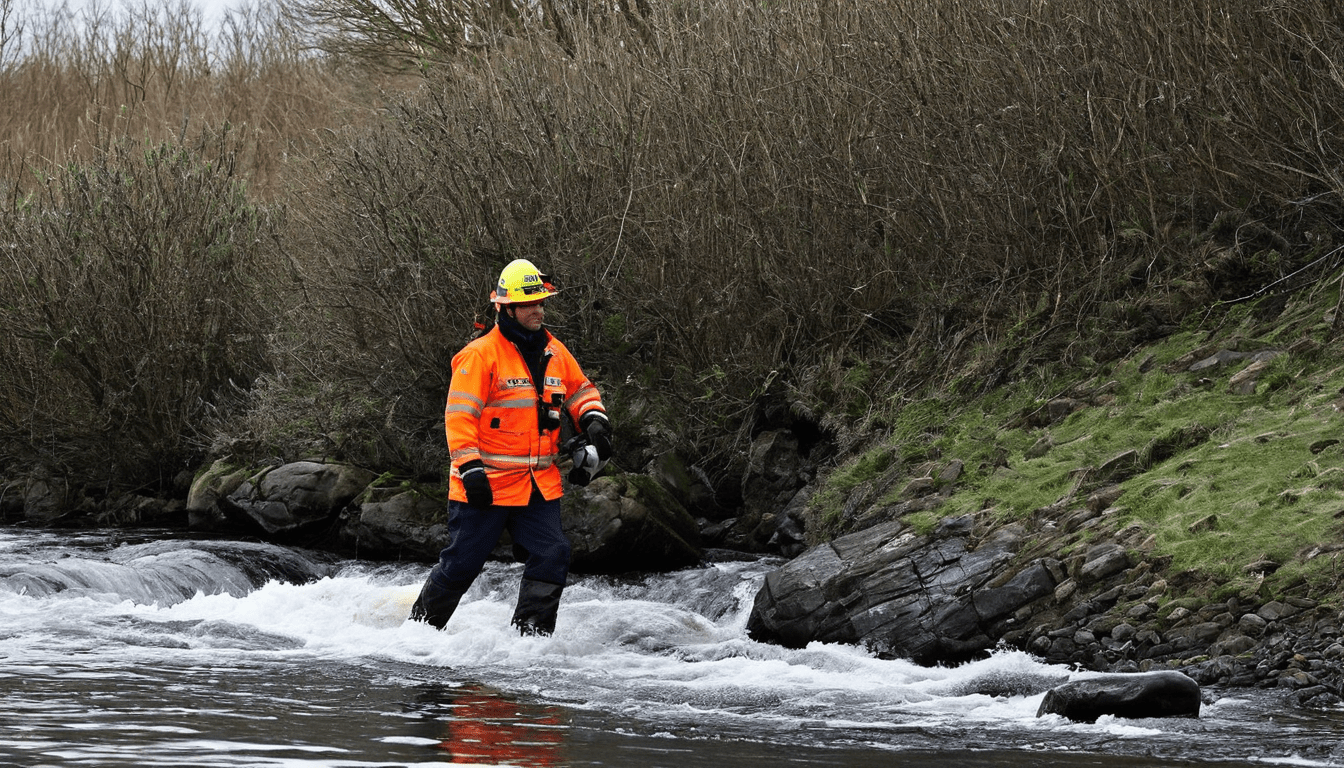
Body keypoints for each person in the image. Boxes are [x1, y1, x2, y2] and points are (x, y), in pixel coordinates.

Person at [410, 259, 612, 636]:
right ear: (507, 308)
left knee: (553, 553)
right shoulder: (480, 355)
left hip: (537, 484)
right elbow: (459, 417)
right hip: (485, 485)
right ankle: (416, 635)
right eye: (530, 304)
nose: (539, 310)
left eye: (541, 303)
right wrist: (470, 467)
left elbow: (581, 390)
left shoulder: (554, 350)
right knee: (462, 565)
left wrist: (593, 420)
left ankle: (529, 642)